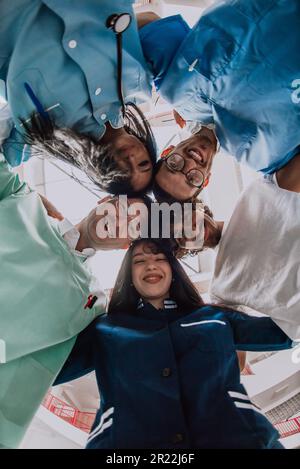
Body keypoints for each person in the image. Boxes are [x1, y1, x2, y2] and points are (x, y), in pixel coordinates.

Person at [0, 107, 151, 447]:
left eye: (134, 227)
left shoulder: (95, 304)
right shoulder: (21, 198)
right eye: (125, 209)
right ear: (104, 200)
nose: (122, 221)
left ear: (124, 244)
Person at [54, 239, 292, 449]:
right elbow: (47, 371)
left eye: (160, 258)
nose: (151, 265)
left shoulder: (216, 318)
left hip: (239, 439)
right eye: (139, 261)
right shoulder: (103, 329)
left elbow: (287, 332)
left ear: (174, 269)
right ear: (128, 275)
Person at [135, 1, 300, 200]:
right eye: (191, 179)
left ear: (168, 151)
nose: (189, 164)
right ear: (205, 180)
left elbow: (146, 25)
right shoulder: (265, 160)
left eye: (174, 165)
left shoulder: (174, 88)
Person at [0, 0, 157, 195]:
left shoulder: (47, 133)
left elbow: (5, 160)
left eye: (123, 172)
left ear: (103, 174)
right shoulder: (139, 88)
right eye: (143, 163)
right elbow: (149, 20)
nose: (131, 159)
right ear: (147, 147)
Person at [173, 152, 300, 341]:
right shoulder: (220, 289)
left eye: (186, 219)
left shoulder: (256, 193)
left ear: (197, 207)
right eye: (181, 237)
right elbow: (230, 343)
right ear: (185, 250)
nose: (192, 230)